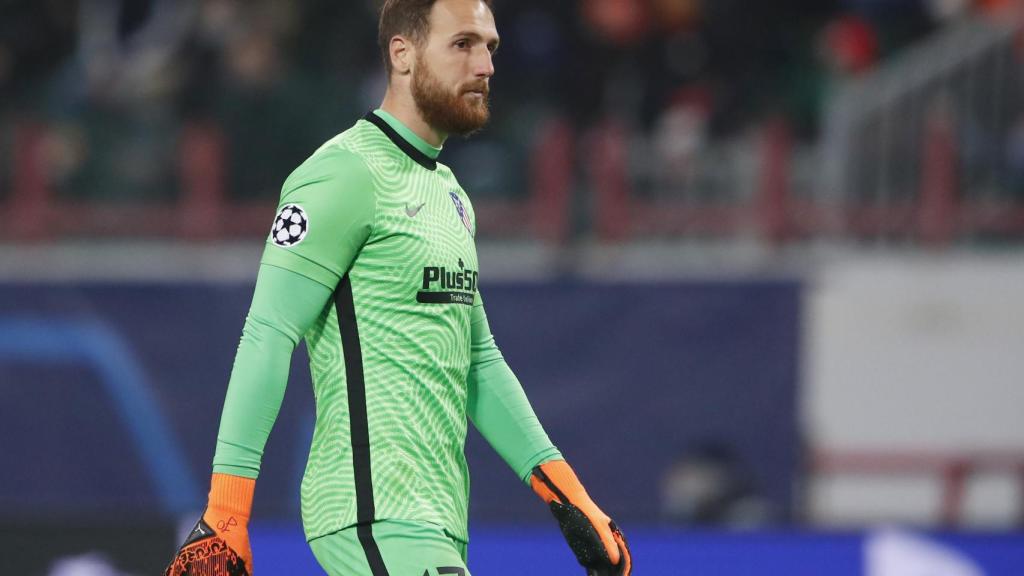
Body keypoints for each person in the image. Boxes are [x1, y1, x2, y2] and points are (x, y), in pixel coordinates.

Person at [164, 1, 632, 575]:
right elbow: (267, 333)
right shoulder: (343, 173)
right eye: (462, 44)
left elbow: (479, 362)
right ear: (402, 54)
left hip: (436, 521)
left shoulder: (451, 195)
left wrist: (570, 498)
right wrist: (227, 512)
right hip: (372, 511)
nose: (484, 64)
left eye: (490, 46)